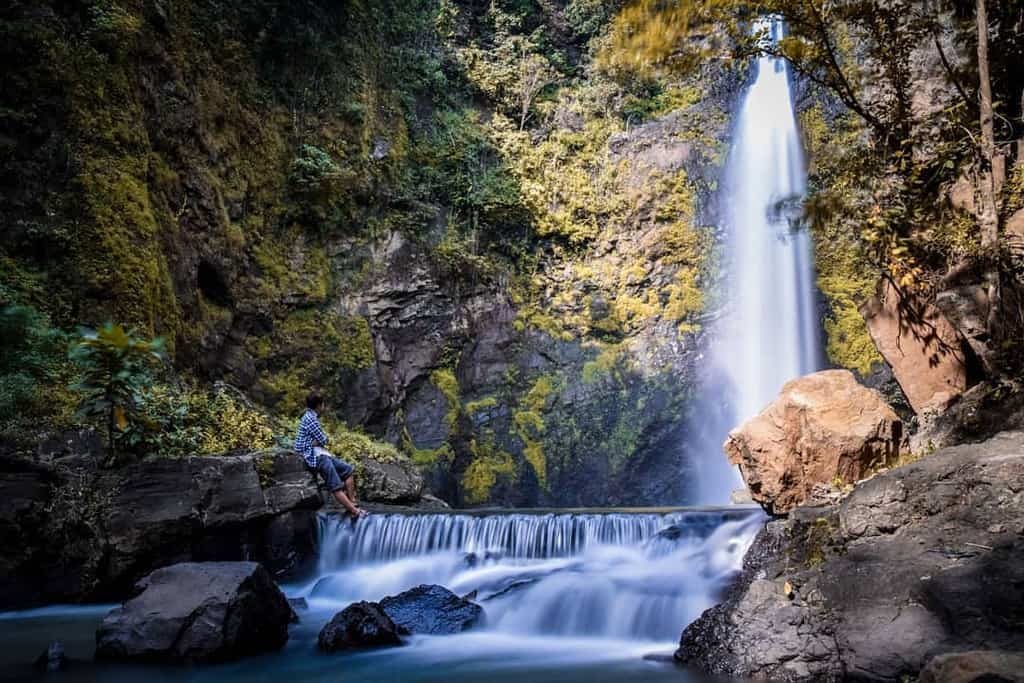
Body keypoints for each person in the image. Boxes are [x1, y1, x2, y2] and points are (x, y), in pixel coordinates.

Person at [295, 392, 368, 519]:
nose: (324, 407)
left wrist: (316, 442)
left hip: (319, 452)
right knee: (335, 486)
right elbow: (323, 439)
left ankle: (353, 503)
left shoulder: (310, 416)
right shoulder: (311, 419)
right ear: (319, 405)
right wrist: (316, 442)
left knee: (348, 470)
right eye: (323, 404)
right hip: (314, 456)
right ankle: (355, 512)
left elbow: (321, 440)